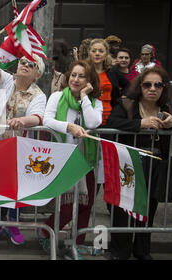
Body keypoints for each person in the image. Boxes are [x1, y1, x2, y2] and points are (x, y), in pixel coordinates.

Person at [0, 34, 47, 246]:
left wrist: (22, 121)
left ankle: (12, 223)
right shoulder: (6, 80)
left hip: (20, 147)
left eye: (31, 64)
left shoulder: (38, 95)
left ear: (37, 74)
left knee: (14, 187)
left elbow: (38, 117)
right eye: (23, 62)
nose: (25, 65)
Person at [106, 67, 172, 260]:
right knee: (124, 209)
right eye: (147, 84)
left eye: (158, 85)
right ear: (140, 86)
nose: (152, 89)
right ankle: (120, 251)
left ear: (163, 88)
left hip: (155, 166)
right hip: (128, 165)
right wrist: (140, 124)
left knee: (149, 209)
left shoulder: (167, 109)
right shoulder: (127, 104)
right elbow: (111, 123)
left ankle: (142, 250)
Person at [41, 60, 103, 260]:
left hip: (86, 160)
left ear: (89, 80)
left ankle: (76, 245)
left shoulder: (95, 103)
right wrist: (69, 126)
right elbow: (47, 120)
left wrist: (85, 97)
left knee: (87, 203)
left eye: (82, 76)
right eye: (74, 75)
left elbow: (93, 122)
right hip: (63, 159)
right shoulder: (57, 97)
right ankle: (45, 232)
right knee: (67, 205)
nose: (76, 80)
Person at [86, 39, 129, 126]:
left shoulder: (112, 71)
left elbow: (128, 84)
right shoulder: (85, 71)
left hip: (109, 118)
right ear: (89, 53)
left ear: (106, 54)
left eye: (101, 51)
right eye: (94, 51)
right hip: (89, 118)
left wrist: (121, 99)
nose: (97, 53)